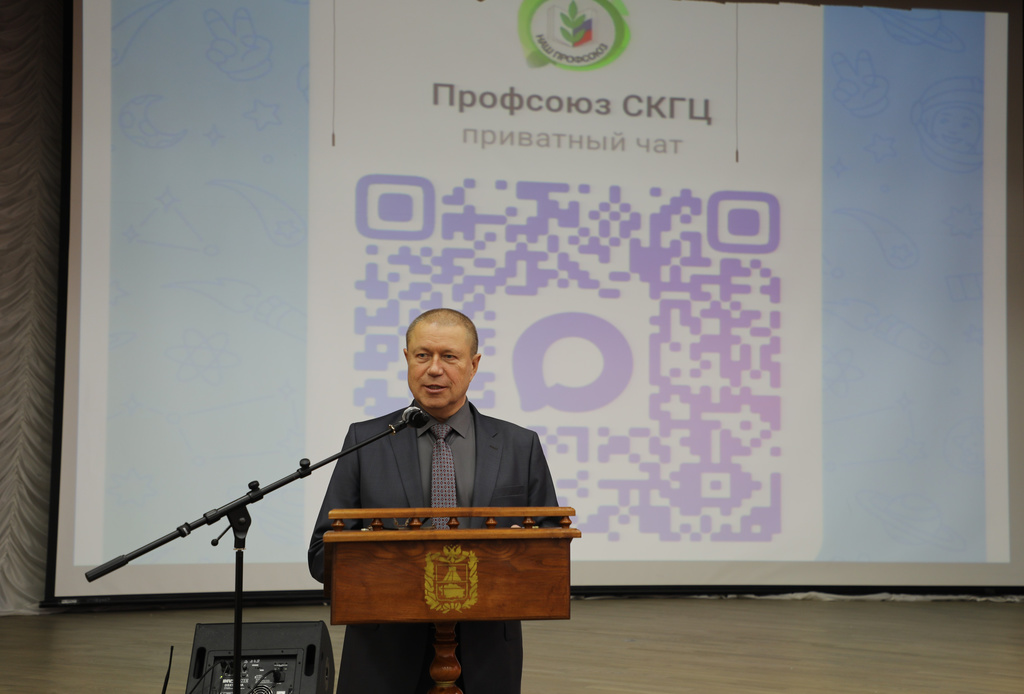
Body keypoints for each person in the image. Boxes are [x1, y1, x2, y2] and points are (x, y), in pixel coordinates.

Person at [308, 308, 559, 694]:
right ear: (407, 359)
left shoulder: (518, 445)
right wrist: (383, 561)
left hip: (486, 650)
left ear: (474, 365)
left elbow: (550, 549)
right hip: (384, 650)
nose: (434, 369)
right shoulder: (367, 441)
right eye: (423, 355)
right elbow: (321, 555)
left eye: (450, 356)